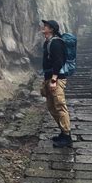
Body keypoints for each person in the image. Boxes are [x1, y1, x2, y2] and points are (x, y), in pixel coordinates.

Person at [40, 19, 73, 147]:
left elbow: (58, 62)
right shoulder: (47, 42)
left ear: (52, 29)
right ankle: (63, 132)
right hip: (49, 78)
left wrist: (53, 80)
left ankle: (67, 137)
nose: (43, 27)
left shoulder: (56, 43)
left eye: (46, 26)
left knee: (59, 106)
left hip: (57, 79)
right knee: (51, 106)